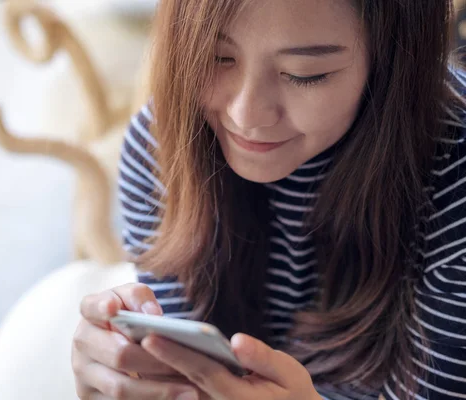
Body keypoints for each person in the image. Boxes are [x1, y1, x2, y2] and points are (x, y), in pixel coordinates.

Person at [72, 0, 466, 398]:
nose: (246, 115)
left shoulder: (454, 186)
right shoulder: (162, 150)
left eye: (304, 75)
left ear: (394, 58)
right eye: (217, 56)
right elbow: (193, 374)